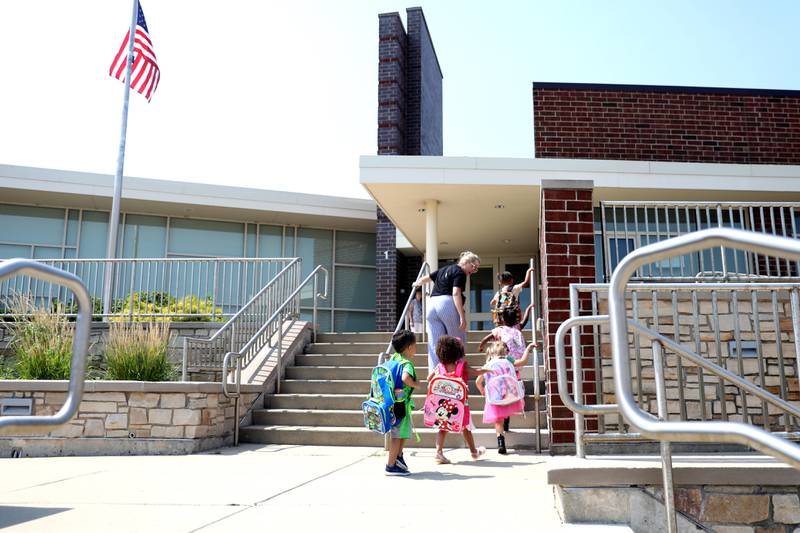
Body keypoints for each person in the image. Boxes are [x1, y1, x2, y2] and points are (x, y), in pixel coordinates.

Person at [413, 251, 481, 371]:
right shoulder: (460, 272)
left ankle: (435, 375)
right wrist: (462, 316)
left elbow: (426, 278)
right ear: (465, 262)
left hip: (431, 304)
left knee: (435, 344)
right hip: (447, 303)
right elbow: (456, 292)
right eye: (473, 266)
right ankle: (459, 371)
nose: (474, 270)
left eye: (477, 269)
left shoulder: (444, 269)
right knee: (457, 340)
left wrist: (416, 284)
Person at [429, 335, 489, 465]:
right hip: (459, 404)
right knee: (466, 428)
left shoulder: (439, 367)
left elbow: (429, 379)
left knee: (443, 428)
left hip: (443, 405)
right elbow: (476, 372)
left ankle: (438, 452)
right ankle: (474, 451)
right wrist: (487, 369)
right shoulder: (461, 367)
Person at [478, 308, 536, 433]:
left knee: (501, 394)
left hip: (500, 368)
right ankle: (507, 419)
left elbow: (487, 337)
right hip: (513, 366)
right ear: (516, 319)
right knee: (511, 390)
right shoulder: (518, 328)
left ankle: (502, 421)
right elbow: (525, 320)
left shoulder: (499, 329)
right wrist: (529, 309)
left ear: (502, 319)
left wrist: (482, 344)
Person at [476, 341, 532, 455]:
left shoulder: (488, 365)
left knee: (498, 421)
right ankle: (506, 425)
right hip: (509, 394)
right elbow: (523, 362)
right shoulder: (508, 360)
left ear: (491, 353)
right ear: (505, 351)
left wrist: (482, 390)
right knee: (507, 405)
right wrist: (528, 349)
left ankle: (501, 443)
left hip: (495, 396)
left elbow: (478, 381)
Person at [385, 329, 420, 476]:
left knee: (401, 433)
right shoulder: (407, 364)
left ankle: (398, 457)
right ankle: (390, 465)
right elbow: (406, 378)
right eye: (415, 345)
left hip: (393, 404)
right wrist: (415, 384)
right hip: (400, 406)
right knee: (397, 436)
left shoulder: (394, 358)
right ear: (409, 347)